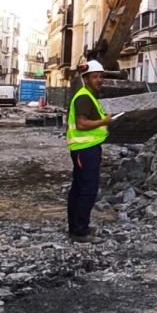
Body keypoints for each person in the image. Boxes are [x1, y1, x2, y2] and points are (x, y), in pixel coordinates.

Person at [66, 59, 113, 242]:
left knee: (79, 188)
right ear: (86, 79)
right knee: (88, 189)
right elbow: (81, 124)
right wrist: (105, 122)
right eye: (95, 76)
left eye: (101, 76)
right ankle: (80, 231)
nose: (99, 80)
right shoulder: (84, 97)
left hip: (85, 149)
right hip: (85, 150)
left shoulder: (88, 96)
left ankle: (76, 228)